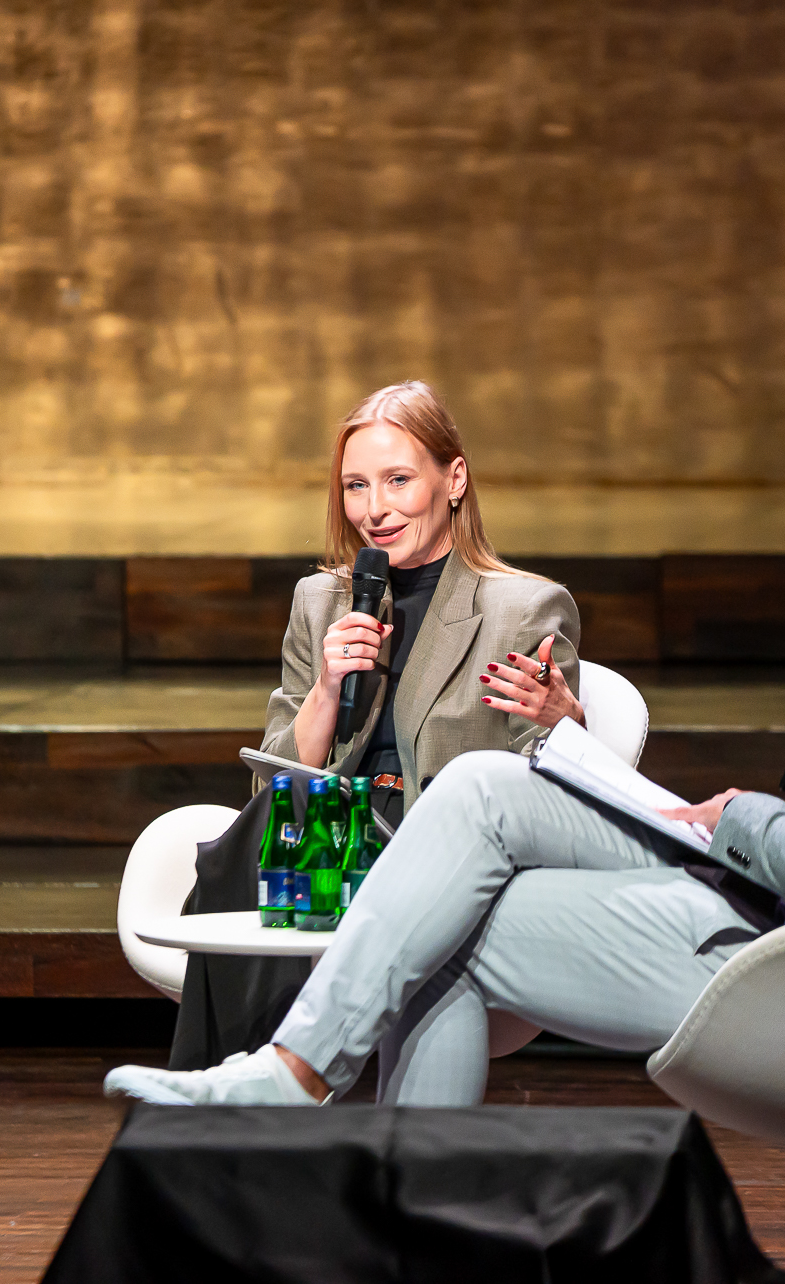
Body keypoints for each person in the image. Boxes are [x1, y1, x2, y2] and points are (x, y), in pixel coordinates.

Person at [110, 419, 785, 1108]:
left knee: (444, 919)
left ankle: (312, 1097)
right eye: (355, 486)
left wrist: (738, 813)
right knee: (474, 812)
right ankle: (317, 1100)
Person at [171, 381, 582, 1067]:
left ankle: (237, 1095)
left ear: (454, 479)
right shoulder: (320, 602)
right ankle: (253, 1093)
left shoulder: (524, 608)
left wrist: (567, 723)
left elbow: (552, 804)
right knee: (266, 828)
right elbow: (272, 783)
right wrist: (327, 688)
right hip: (323, 836)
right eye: (356, 487)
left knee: (240, 863)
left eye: (397, 480)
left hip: (437, 850)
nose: (374, 509)